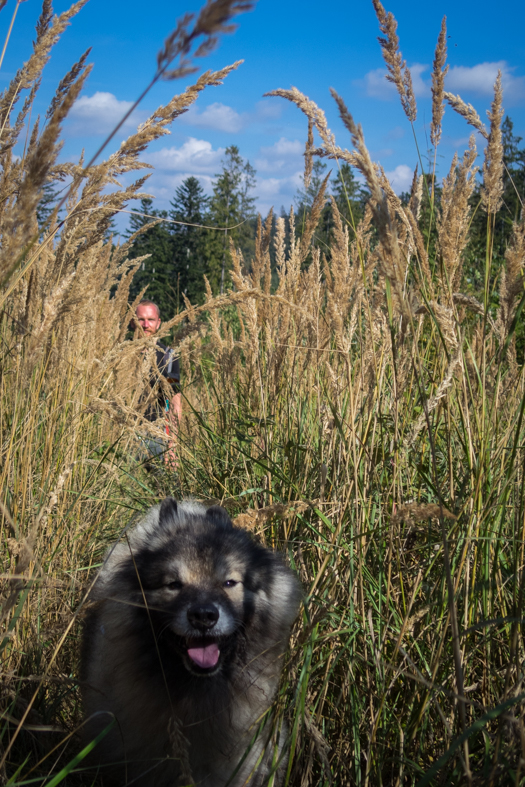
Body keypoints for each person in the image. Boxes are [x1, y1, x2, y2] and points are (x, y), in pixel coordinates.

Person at [132, 299, 181, 466]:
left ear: (158, 323)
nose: (146, 325)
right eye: (141, 319)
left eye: (151, 320)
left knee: (161, 489)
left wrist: (172, 445)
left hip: (156, 434)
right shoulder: (123, 355)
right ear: (133, 322)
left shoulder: (168, 357)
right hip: (124, 434)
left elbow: (174, 403)